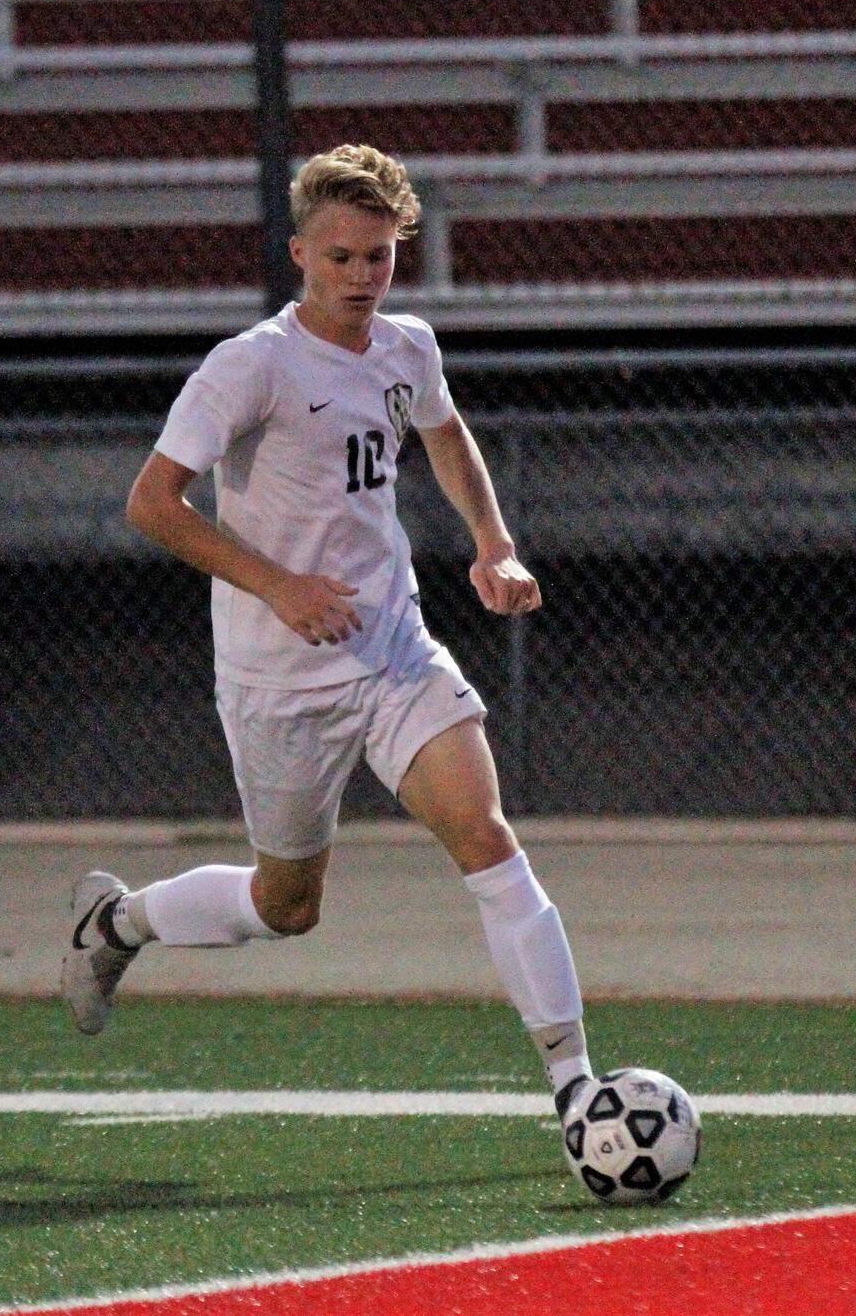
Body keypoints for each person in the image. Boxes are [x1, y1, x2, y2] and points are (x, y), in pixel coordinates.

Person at [61, 144, 592, 1120]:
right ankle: (120, 920)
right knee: (286, 906)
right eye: (340, 256)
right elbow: (153, 504)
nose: (360, 276)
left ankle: (577, 1092)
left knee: (486, 837)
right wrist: (280, 587)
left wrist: (494, 544)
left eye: (378, 257)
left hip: (391, 649)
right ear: (300, 253)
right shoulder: (251, 365)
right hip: (280, 677)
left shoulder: (409, 347)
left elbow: (444, 432)